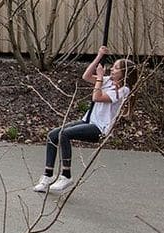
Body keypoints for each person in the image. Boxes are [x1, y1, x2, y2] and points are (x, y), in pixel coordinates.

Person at [32, 46, 137, 194]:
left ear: (124, 73)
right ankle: (48, 176)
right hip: (87, 121)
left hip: (100, 128)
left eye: (116, 68)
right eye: (112, 67)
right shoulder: (107, 81)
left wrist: (100, 77)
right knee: (53, 135)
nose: (112, 70)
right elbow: (86, 76)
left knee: (64, 135)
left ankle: (66, 176)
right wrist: (99, 56)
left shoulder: (124, 90)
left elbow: (97, 97)